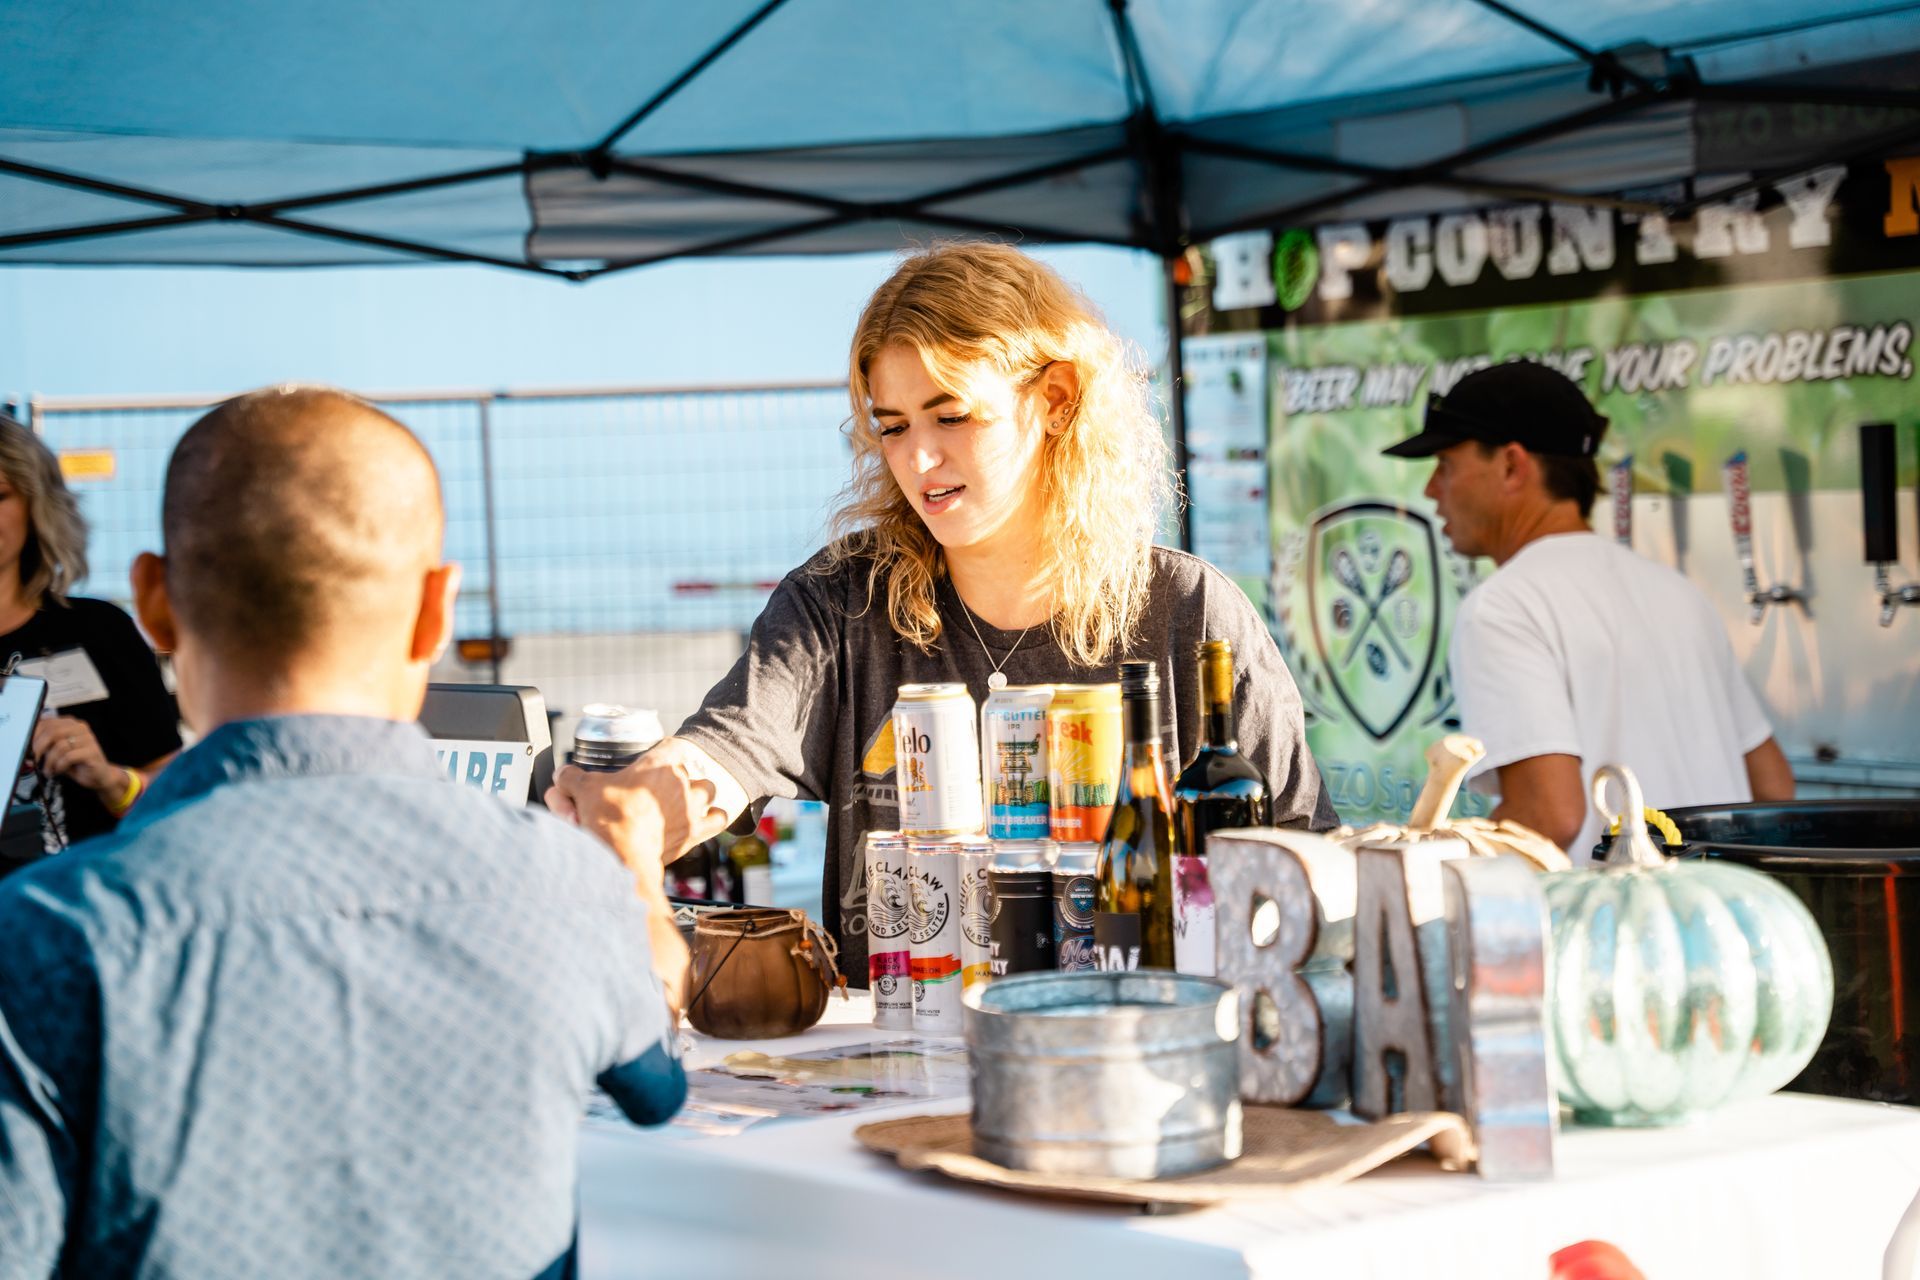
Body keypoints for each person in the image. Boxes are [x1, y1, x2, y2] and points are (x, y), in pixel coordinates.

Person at [0, 387, 693, 1278]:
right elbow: (655, 1087)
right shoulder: (564, 887)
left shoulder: (42, 939)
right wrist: (634, 878)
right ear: (435, 611)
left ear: (155, 605)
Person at [552, 242, 1336, 982]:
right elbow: (727, 749)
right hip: (902, 1074)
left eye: (951, 415)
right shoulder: (840, 603)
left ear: (1056, 400)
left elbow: (1305, 863)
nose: (918, 459)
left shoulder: (1188, 616)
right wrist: (636, 810)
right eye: (891, 427)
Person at [1383, 360, 1793, 859]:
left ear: (1512, 465)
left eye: (1445, 465)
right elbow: (1774, 788)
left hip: (1609, 927)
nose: (1431, 489)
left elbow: (1547, 817)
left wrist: (1420, 871)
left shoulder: (1503, 607)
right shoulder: (1679, 594)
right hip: (1711, 920)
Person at [0, 413, 179, 854]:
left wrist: (112, 781)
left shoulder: (101, 632)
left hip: (85, 905)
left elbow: (174, 799)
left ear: (35, 507)